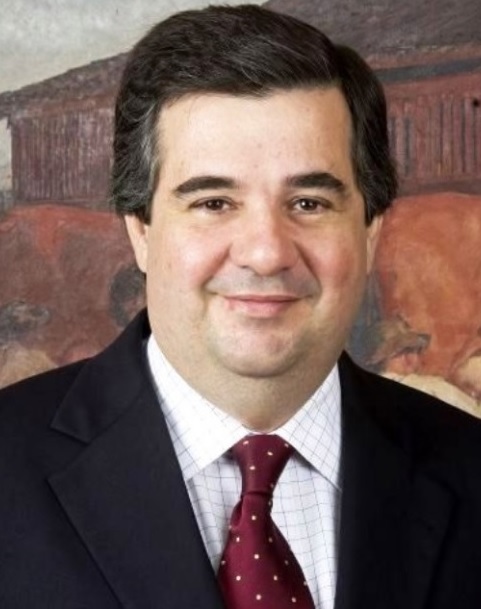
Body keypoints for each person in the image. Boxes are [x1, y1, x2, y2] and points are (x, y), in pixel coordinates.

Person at [1, 5, 480, 609]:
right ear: (141, 230)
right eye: (213, 203)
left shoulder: (469, 467)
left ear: (369, 233)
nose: (266, 252)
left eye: (308, 203)